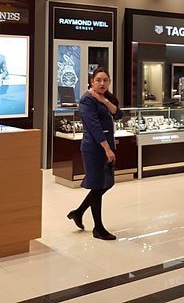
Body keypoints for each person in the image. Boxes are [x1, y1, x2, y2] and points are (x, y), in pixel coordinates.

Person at [67, 67, 122, 240]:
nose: (102, 83)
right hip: (94, 149)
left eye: (105, 80)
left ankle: (78, 212)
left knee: (106, 183)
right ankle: (98, 228)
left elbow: (118, 115)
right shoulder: (87, 100)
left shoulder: (106, 98)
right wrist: (107, 149)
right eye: (98, 80)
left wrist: (104, 101)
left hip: (106, 146)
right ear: (92, 81)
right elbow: (94, 126)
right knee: (98, 186)